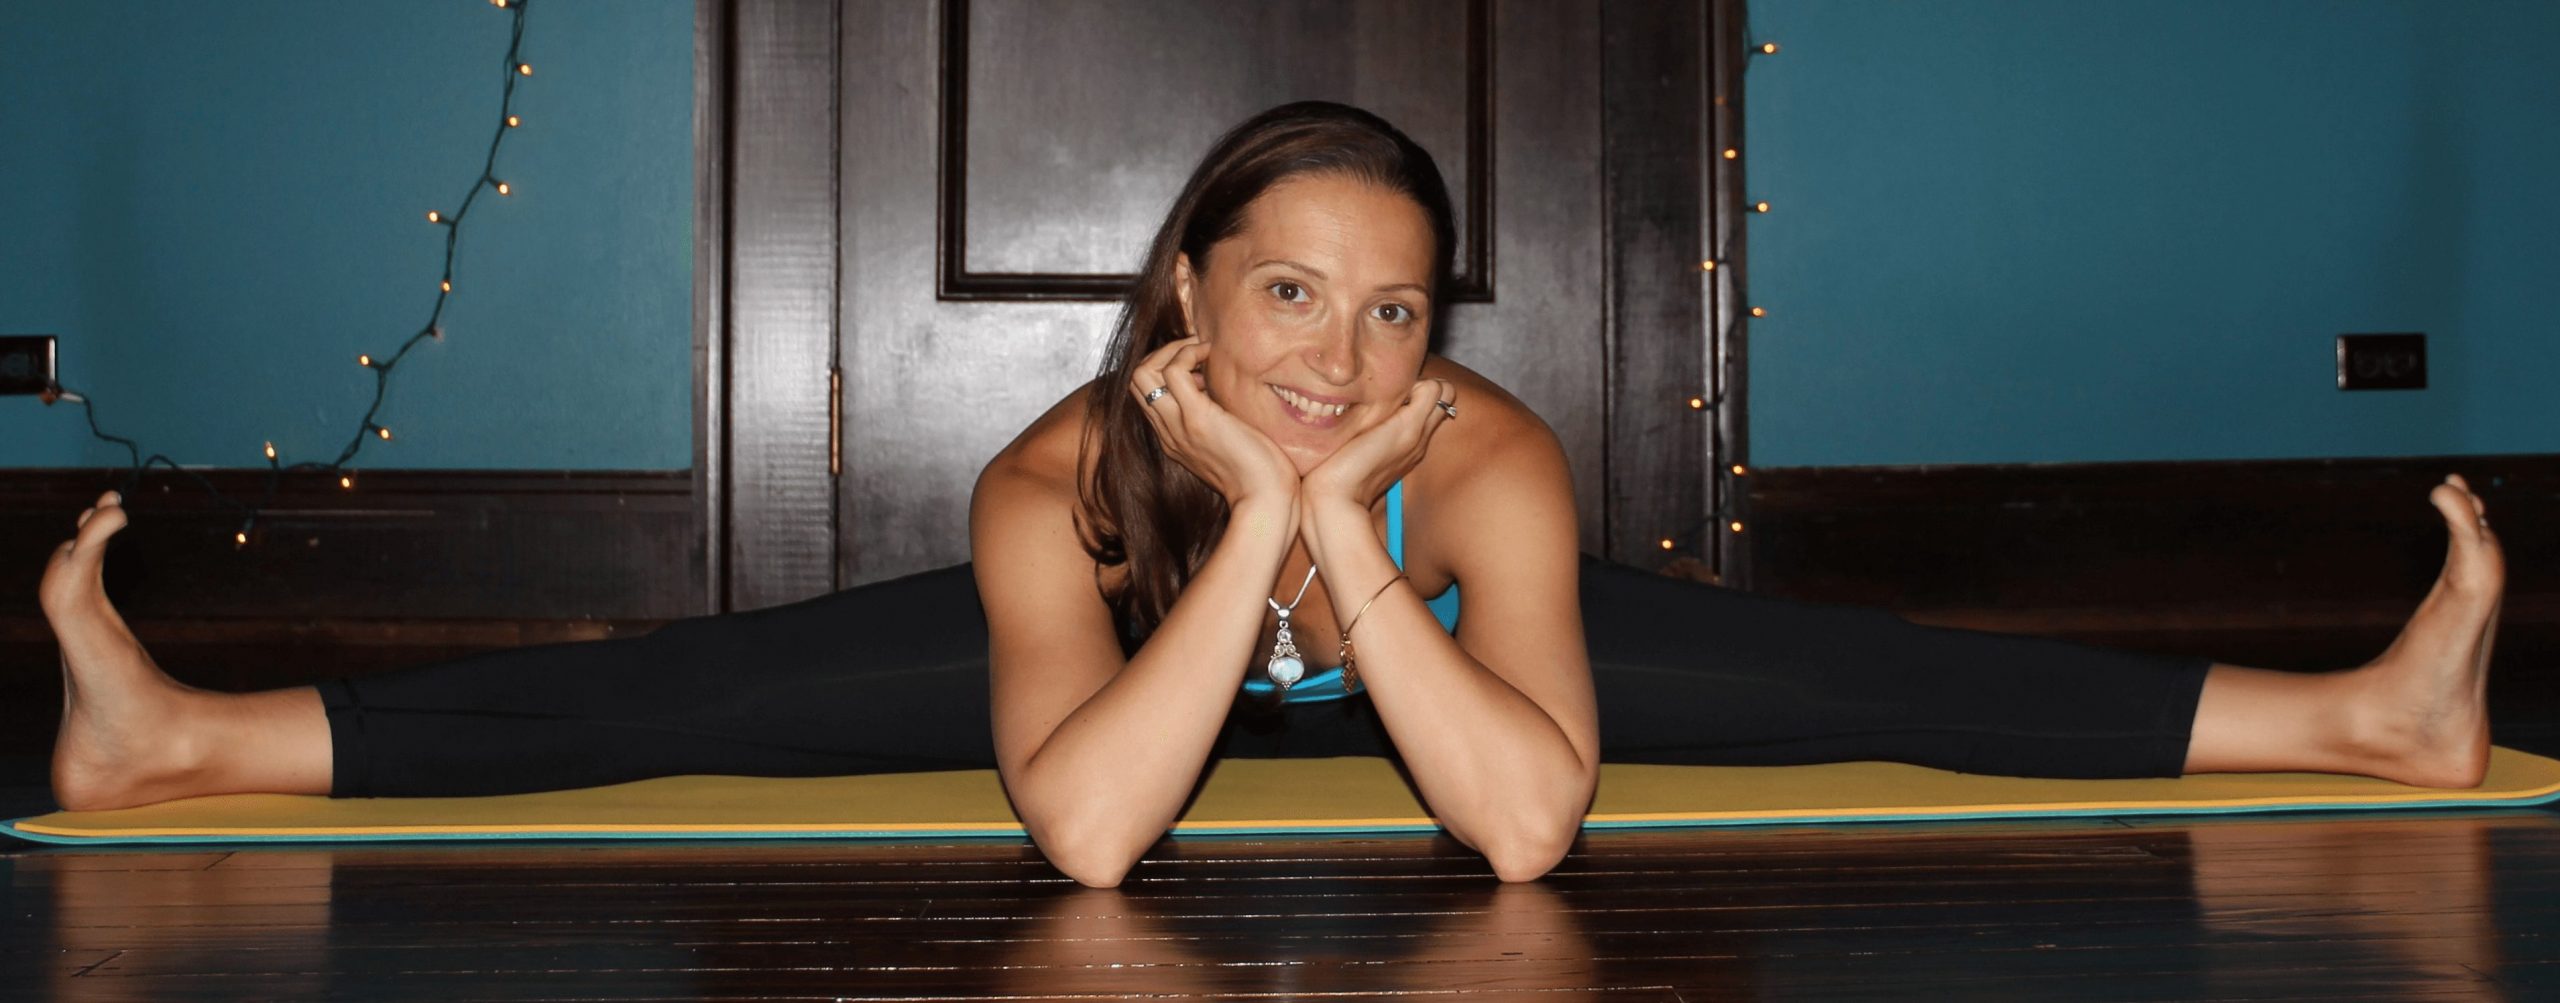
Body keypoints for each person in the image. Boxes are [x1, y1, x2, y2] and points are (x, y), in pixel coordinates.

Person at [37, 102, 2506, 887]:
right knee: (710, 690)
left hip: (1448, 665)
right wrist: (1248, 532)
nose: (1341, 357)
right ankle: (187, 740)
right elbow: (1095, 840)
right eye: (1292, 297)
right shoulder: (1053, 477)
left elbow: (1519, 832)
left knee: (1840, 669)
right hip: (1143, 652)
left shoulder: (1487, 456)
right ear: (1188, 299)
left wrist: (1352, 539)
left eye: (1395, 310)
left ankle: (2358, 720)